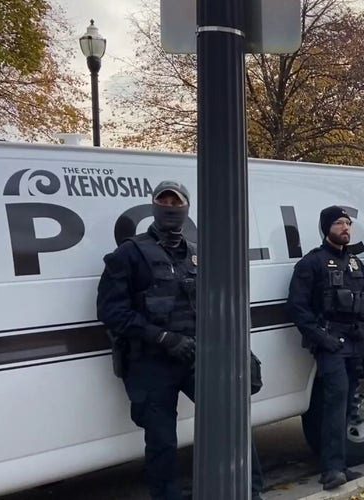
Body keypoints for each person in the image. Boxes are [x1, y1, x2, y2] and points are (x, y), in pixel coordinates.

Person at [96, 181, 264, 500]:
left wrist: (240, 352)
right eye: (164, 201)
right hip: (151, 362)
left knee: (231, 422)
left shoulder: (199, 253)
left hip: (196, 355)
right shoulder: (130, 254)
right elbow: (111, 311)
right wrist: (163, 337)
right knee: (161, 441)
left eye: (177, 202)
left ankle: (250, 491)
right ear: (154, 206)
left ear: (186, 209)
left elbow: (221, 307)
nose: (170, 207)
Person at [285, 206, 364, 490]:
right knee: (335, 403)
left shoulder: (355, 263)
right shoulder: (312, 263)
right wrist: (322, 338)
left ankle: (341, 464)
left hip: (356, 342)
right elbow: (297, 307)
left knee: (347, 404)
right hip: (331, 344)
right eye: (339, 223)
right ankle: (331, 469)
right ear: (326, 228)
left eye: (348, 223)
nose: (345, 227)